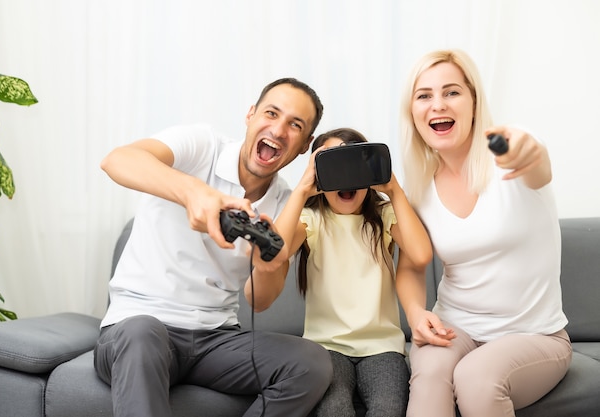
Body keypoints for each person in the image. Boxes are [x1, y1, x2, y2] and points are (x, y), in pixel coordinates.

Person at [94, 77, 334, 417]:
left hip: (215, 338)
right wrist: (193, 192)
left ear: (304, 145)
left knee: (311, 362)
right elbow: (117, 161)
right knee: (142, 331)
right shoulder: (201, 146)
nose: (278, 130)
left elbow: (259, 300)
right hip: (138, 326)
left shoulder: (287, 208)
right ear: (250, 115)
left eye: (294, 125)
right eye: (271, 113)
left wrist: (267, 265)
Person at [398, 49, 572, 417]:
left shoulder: (512, 158)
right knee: (429, 375)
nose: (437, 105)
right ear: (412, 113)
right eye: (424, 96)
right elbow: (412, 265)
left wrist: (527, 151)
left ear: (474, 103)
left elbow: (536, 163)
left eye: (452, 92)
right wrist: (416, 315)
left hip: (535, 337)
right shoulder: (420, 188)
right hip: (454, 326)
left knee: (476, 378)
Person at [272, 127, 433, 417]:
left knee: (388, 409)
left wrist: (393, 189)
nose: (346, 178)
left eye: (354, 167)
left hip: (382, 347)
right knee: (334, 410)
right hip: (326, 347)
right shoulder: (312, 219)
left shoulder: (383, 217)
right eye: (335, 167)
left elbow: (421, 255)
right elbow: (275, 252)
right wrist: (301, 190)